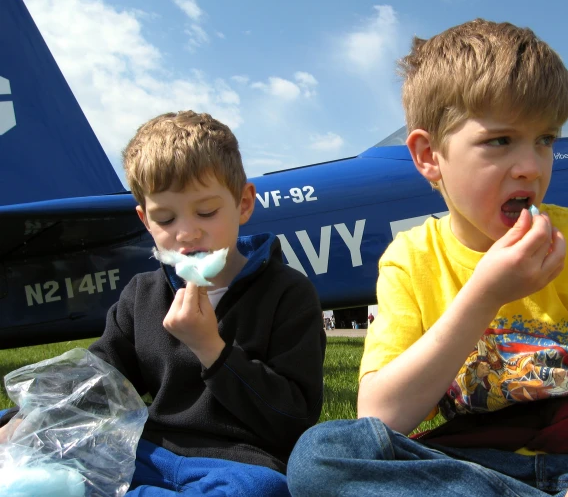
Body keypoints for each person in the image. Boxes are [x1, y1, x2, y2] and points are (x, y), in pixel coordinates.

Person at [287, 20, 568, 496]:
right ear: (429, 156)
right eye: (500, 141)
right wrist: (484, 293)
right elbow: (380, 416)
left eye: (545, 139)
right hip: (469, 469)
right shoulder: (410, 258)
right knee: (322, 455)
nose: (531, 167)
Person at [2, 111, 326, 496]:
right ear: (145, 220)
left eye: (206, 212)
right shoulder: (143, 295)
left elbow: (293, 419)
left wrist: (212, 349)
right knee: (52, 455)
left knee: (261, 490)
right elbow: (99, 375)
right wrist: (28, 418)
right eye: (166, 218)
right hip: (148, 451)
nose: (187, 232)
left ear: (243, 203)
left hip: (238, 462)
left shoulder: (289, 293)